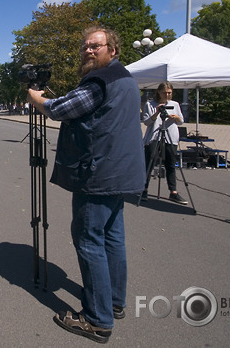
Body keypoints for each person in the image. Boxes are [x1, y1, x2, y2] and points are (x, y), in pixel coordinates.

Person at [27, 26, 145, 344]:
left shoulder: (100, 80)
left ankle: (96, 318)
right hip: (121, 173)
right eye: (85, 47)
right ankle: (114, 301)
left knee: (89, 240)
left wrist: (37, 98)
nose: (88, 51)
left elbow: (60, 110)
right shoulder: (125, 79)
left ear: (112, 49)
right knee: (112, 239)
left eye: (96, 46)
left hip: (99, 174)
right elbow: (86, 107)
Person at [141, 82, 188, 204]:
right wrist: (157, 113)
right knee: (149, 163)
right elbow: (146, 122)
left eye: (169, 93)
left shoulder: (175, 104)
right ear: (158, 92)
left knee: (171, 164)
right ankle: (144, 189)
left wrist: (175, 117)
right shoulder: (150, 104)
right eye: (164, 93)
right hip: (154, 136)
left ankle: (173, 191)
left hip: (170, 137)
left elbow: (181, 121)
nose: (167, 95)